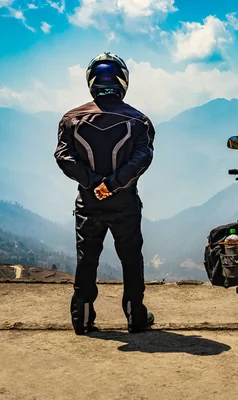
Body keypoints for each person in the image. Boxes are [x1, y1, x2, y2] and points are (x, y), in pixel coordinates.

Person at [54, 52, 155, 335]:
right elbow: (142, 158)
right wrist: (111, 184)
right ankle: (135, 316)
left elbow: (64, 157)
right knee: (131, 259)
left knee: (87, 260)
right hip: (124, 203)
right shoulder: (139, 121)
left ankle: (82, 319)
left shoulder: (71, 118)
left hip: (88, 204)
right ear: (123, 81)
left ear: (90, 81)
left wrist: (94, 183)